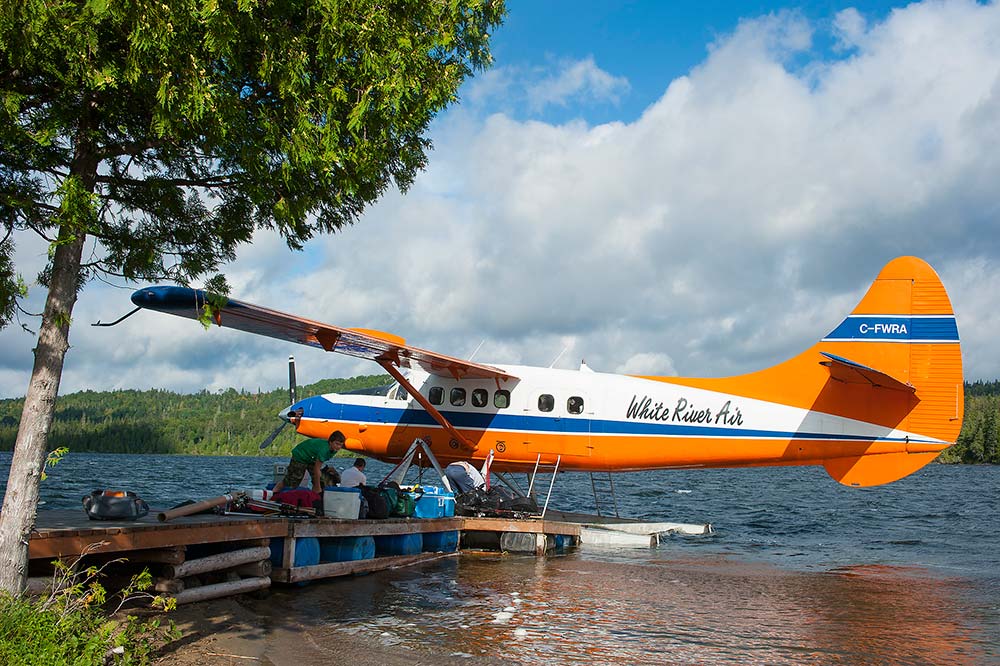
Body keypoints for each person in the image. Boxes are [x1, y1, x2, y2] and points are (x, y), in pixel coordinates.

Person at [272, 431, 345, 494]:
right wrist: (318, 488)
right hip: (301, 455)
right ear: (330, 442)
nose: (338, 447)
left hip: (311, 458)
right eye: (336, 444)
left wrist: (318, 485)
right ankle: (274, 492)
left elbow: (317, 469)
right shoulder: (325, 450)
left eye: (340, 445)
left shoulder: (334, 449)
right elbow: (316, 469)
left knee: (321, 480)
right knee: (293, 480)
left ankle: (313, 497)